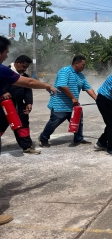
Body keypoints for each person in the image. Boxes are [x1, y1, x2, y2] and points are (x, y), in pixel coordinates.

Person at [0, 36, 58, 226]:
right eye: (6, 52)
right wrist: (48, 85)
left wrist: (28, 103)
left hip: (16, 107)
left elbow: (27, 88)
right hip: (4, 109)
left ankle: (26, 145)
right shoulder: (3, 70)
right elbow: (29, 83)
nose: (7, 54)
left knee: (23, 128)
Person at [38, 55, 96, 147]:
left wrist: (97, 99)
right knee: (54, 123)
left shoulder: (81, 76)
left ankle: (78, 139)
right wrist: (73, 97)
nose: (84, 67)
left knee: (78, 122)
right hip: (60, 104)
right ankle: (43, 138)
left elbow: (88, 88)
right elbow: (62, 85)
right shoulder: (65, 71)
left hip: (73, 105)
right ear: (76, 64)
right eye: (83, 65)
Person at [0, 55, 40, 155]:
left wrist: (29, 103)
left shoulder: (25, 77)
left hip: (19, 106)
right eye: (23, 66)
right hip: (4, 106)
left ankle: (27, 147)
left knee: (23, 126)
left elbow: (28, 90)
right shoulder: (5, 72)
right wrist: (3, 92)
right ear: (17, 62)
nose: (24, 69)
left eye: (26, 67)